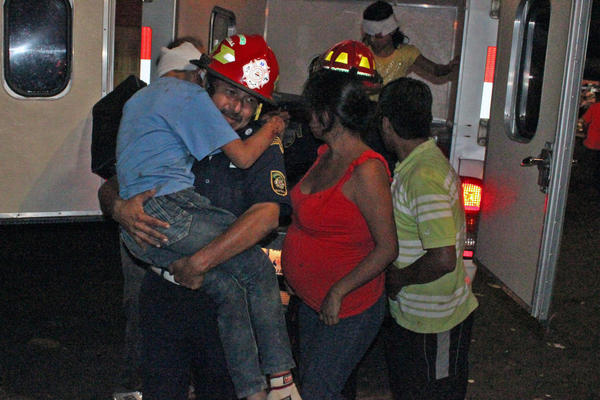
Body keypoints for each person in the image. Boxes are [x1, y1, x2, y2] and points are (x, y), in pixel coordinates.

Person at [101, 35, 299, 400]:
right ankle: (278, 382)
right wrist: (118, 207)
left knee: (221, 387)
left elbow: (267, 218)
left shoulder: (263, 147)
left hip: (218, 307)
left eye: (249, 101)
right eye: (230, 93)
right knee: (161, 390)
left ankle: (264, 387)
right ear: (206, 85)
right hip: (164, 296)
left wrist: (199, 262)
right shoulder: (181, 117)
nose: (237, 108)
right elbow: (113, 183)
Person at [281, 69, 399, 400]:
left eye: (312, 109)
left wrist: (338, 290)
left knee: (319, 390)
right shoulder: (325, 155)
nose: (306, 117)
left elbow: (388, 247)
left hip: (348, 305)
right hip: (311, 301)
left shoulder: (366, 169)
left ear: (329, 113)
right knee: (314, 384)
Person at [377, 77, 478, 400]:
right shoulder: (417, 164)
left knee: (434, 393)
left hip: (437, 320)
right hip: (418, 316)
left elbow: (444, 258)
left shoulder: (423, 175)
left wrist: (398, 279)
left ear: (387, 125)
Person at [361, 1, 458, 90]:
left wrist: (449, 67)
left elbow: (435, 70)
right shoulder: (361, 55)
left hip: (393, 107)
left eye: (378, 36)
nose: (373, 41)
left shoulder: (406, 53)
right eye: (369, 36)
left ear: (392, 30)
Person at [578, 97, 600, 191]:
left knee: (587, 167)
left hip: (591, 142)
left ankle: (585, 188)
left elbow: (582, 122)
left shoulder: (595, 107)